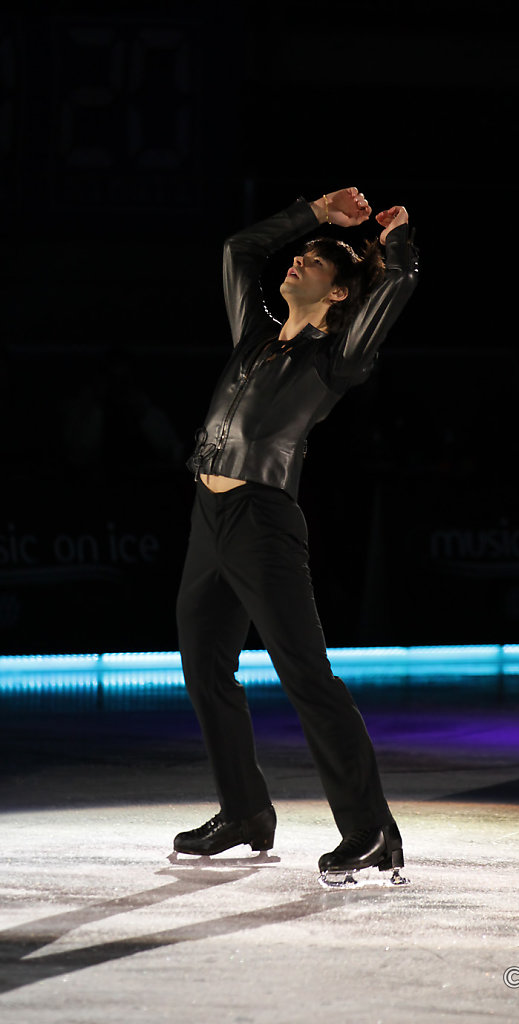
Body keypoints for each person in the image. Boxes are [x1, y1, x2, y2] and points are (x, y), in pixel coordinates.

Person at [174, 186, 418, 881]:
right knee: (204, 669)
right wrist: (313, 214)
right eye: (301, 256)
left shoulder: (337, 356)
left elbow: (395, 284)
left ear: (339, 294)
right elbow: (237, 250)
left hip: (262, 522)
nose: (297, 262)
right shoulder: (253, 334)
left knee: (306, 676)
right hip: (207, 519)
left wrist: (395, 239)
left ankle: (371, 829)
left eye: (312, 261)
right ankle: (245, 812)